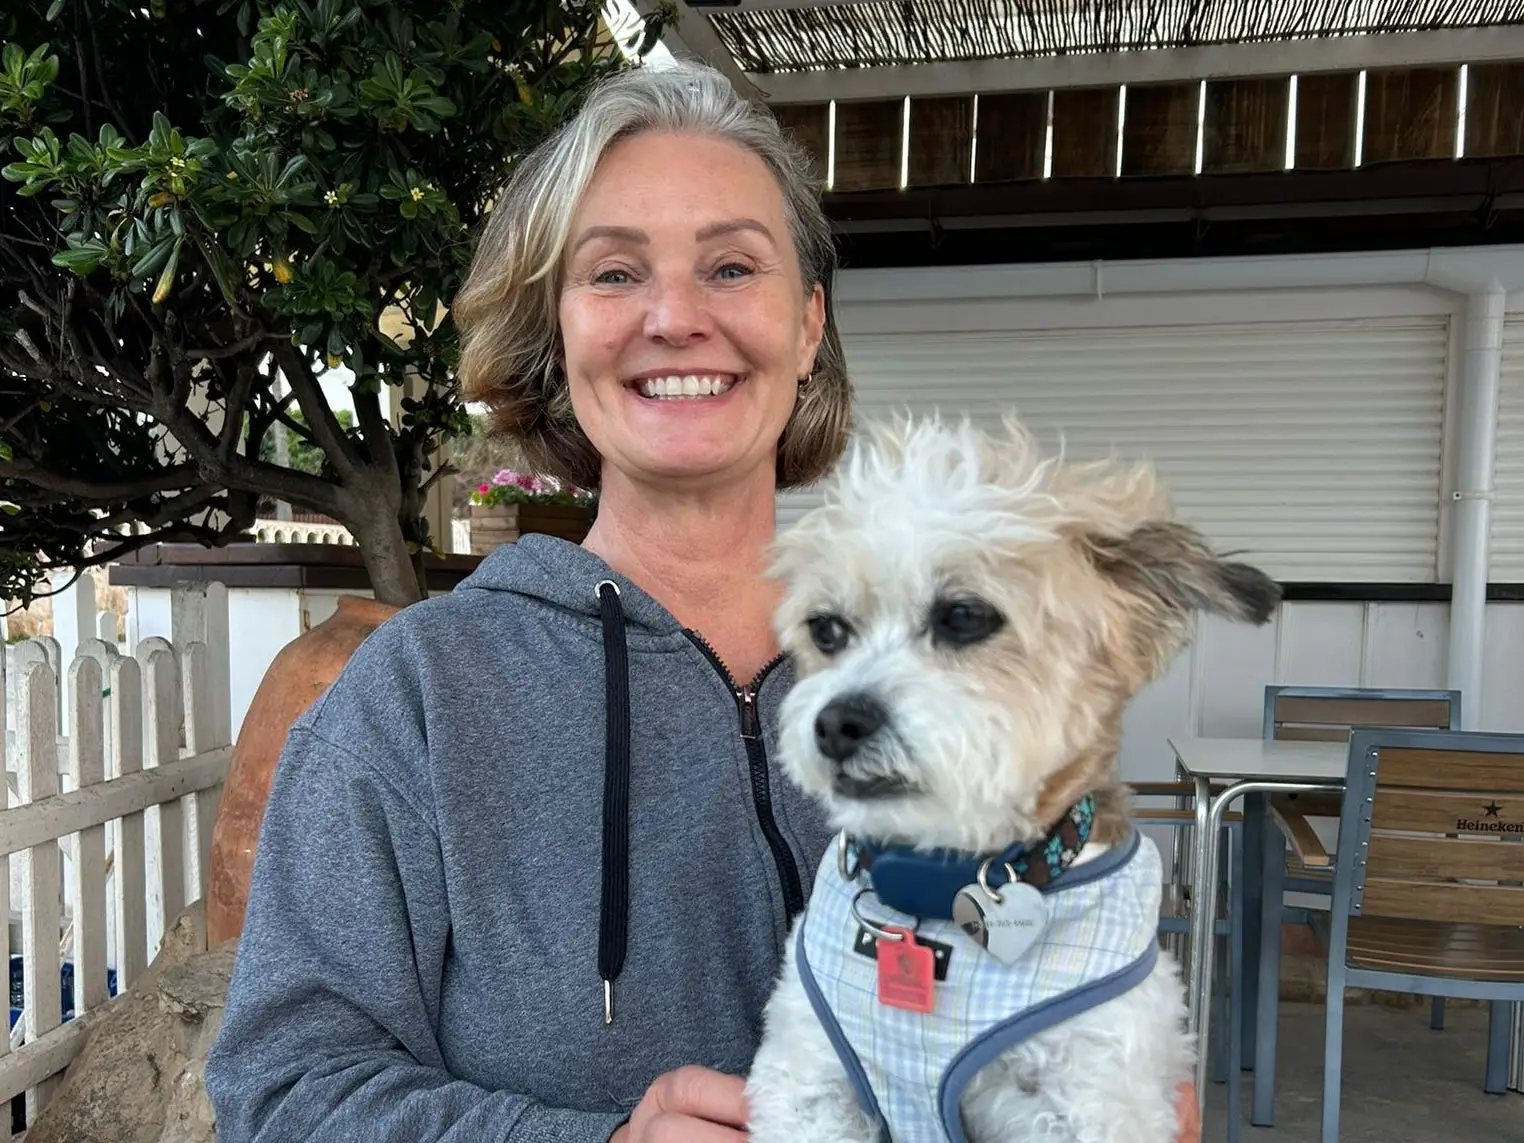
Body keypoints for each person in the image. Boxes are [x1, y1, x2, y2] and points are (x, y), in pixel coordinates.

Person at [203, 59, 1202, 1143]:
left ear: (809, 322)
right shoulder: (420, 695)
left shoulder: (999, 639)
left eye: (731, 267)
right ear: (557, 335)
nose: (675, 317)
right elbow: (283, 1087)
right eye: (615, 274)